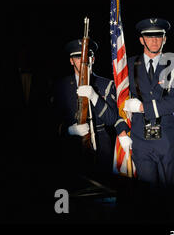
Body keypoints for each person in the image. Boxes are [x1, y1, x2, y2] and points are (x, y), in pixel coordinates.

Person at [118, 18, 174, 219]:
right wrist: (121, 129)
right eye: (149, 36)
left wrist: (144, 107)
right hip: (140, 139)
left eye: (158, 36)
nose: (154, 40)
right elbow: (118, 100)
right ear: (141, 39)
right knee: (147, 196)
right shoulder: (127, 65)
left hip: (168, 139)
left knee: (169, 194)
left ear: (164, 38)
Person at [53, 39, 126, 182]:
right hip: (71, 148)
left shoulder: (106, 84)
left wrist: (94, 96)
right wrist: (69, 130)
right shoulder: (61, 86)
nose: (83, 61)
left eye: (87, 57)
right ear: (71, 61)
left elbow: (111, 119)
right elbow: (52, 120)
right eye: (78, 57)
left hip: (101, 148)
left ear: (93, 59)